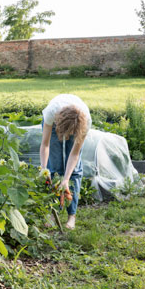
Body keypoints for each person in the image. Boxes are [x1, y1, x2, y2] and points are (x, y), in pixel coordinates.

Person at [39, 94, 91, 229]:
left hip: (77, 124)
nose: (66, 137)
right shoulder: (51, 113)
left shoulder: (85, 122)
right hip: (58, 122)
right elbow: (45, 145)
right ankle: (52, 212)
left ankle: (71, 216)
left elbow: (74, 154)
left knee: (74, 172)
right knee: (54, 167)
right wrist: (44, 169)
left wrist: (66, 179)